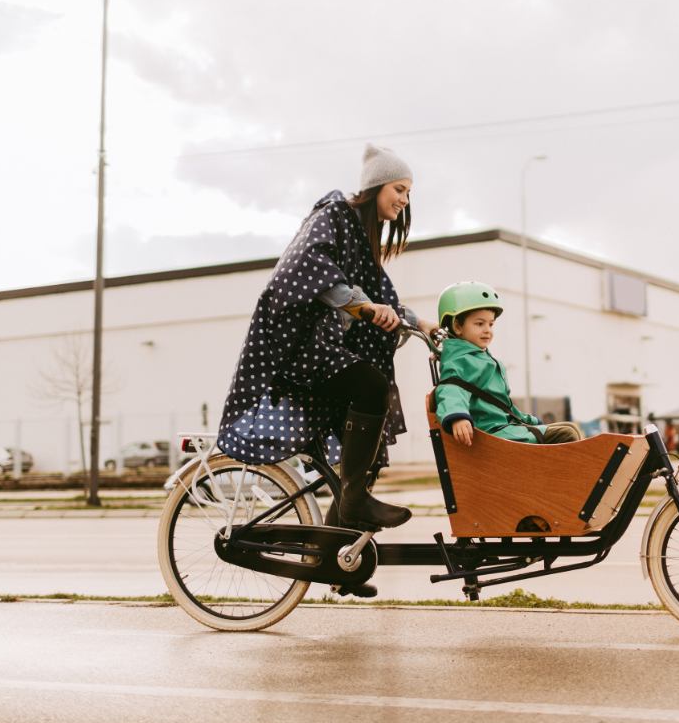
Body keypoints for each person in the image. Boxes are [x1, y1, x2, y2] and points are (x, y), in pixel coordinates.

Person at [218, 143, 439, 546]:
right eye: (400, 189)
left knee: (363, 454)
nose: (405, 201)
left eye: (409, 193)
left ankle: (337, 562)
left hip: (324, 349)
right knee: (371, 386)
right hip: (298, 346)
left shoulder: (359, 237)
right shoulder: (334, 215)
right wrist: (364, 308)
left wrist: (419, 321)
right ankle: (354, 502)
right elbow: (310, 267)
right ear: (376, 187)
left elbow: (374, 296)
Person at [434, 282, 583, 446]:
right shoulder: (460, 361)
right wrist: (458, 416)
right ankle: (561, 472)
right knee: (566, 434)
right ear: (457, 326)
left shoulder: (482, 359)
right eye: (479, 323)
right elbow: (450, 388)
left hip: (505, 427)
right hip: (493, 433)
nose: (487, 330)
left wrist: (528, 420)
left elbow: (502, 405)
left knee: (569, 427)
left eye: (491, 324)